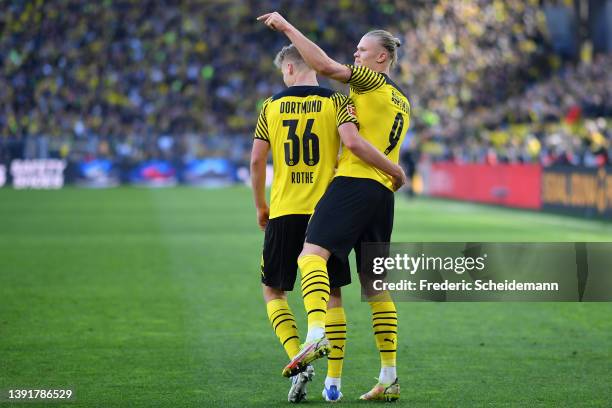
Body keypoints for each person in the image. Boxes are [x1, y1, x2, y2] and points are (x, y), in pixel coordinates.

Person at [258, 12, 411, 402]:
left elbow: (325, 68)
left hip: (355, 183)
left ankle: (314, 335)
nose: (355, 56)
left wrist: (288, 26)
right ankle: (388, 377)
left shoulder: (371, 81)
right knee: (376, 288)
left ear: (381, 58)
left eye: (362, 51)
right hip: (381, 196)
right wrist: (393, 170)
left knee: (310, 256)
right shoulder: (402, 100)